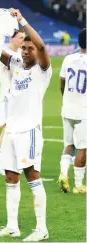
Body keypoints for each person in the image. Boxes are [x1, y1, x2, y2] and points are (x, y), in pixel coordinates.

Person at [0, 8, 52, 242]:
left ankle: (41, 228)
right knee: (10, 178)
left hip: (29, 131)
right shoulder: (15, 62)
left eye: (29, 48)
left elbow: (43, 47)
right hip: (11, 130)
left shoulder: (42, 70)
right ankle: (12, 226)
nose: (25, 51)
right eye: (23, 47)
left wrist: (22, 20)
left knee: (33, 176)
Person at [58, 28, 87, 193]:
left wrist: (66, 98)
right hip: (84, 111)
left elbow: (62, 82)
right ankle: (78, 185)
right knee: (82, 147)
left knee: (68, 144)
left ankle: (63, 174)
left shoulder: (68, 59)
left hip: (67, 107)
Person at [0, 30, 25, 174]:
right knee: (7, 127)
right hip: (7, 96)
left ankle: (11, 161)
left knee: (14, 128)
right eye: (20, 37)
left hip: (18, 98)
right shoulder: (4, 53)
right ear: (12, 38)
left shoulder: (21, 53)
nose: (22, 40)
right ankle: (0, 162)